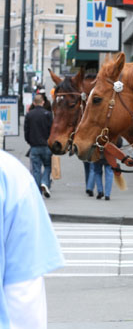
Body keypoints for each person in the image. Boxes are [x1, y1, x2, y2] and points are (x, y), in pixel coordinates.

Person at [0, 149, 65, 328]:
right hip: (43, 149)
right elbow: (23, 295)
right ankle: (44, 184)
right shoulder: (12, 175)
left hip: (35, 148)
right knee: (44, 166)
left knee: (35, 167)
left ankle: (40, 183)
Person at [24, 94, 53, 198]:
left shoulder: (29, 115)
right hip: (46, 146)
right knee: (48, 166)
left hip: (34, 146)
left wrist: (29, 141)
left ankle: (37, 192)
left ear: (34, 103)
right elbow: (52, 130)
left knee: (36, 169)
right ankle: (45, 181)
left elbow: (26, 131)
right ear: (43, 102)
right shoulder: (48, 114)